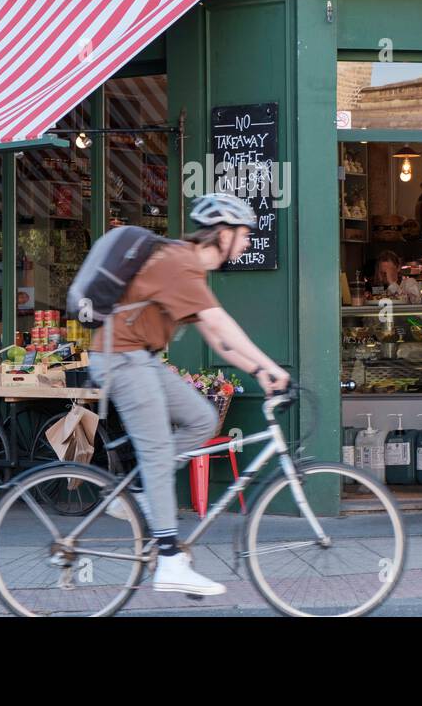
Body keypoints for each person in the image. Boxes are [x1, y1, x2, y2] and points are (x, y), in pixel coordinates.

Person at [89, 192, 291, 596]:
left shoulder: (190, 270)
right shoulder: (179, 263)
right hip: (121, 359)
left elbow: (216, 336)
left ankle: (138, 491)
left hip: (139, 359)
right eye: (244, 233)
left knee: (201, 418)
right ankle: (169, 561)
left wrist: (256, 370)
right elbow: (224, 323)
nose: (249, 242)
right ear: (223, 234)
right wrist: (272, 366)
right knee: (157, 452)